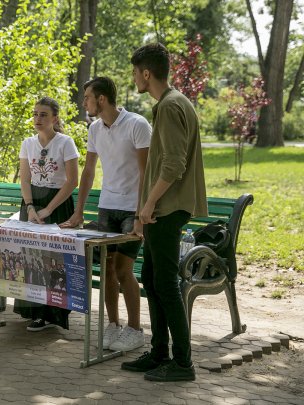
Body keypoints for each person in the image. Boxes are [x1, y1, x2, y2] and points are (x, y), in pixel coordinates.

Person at [121, 43, 207, 382]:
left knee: (166, 285)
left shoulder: (170, 106)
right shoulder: (174, 102)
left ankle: (183, 363)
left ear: (146, 73)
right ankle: (159, 353)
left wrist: (149, 204)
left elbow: (173, 164)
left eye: (134, 73)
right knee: (152, 280)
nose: (133, 79)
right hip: (164, 210)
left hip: (166, 210)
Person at [61, 76, 151, 352]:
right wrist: (78, 212)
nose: (84, 102)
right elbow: (88, 172)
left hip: (131, 210)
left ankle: (135, 330)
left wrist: (139, 216)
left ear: (101, 99)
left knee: (124, 270)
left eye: (87, 97)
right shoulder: (95, 129)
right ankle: (113, 325)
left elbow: (146, 174)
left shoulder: (137, 124)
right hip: (107, 208)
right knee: (108, 270)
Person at [14, 96, 79, 332]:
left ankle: (52, 313)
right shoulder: (27, 143)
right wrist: (30, 207)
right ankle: (33, 311)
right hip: (32, 203)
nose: (38, 119)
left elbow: (72, 181)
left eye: (43, 114)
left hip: (57, 204)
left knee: (53, 260)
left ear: (55, 118)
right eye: (35, 114)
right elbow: (24, 178)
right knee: (30, 258)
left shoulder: (65, 143)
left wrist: (49, 209)